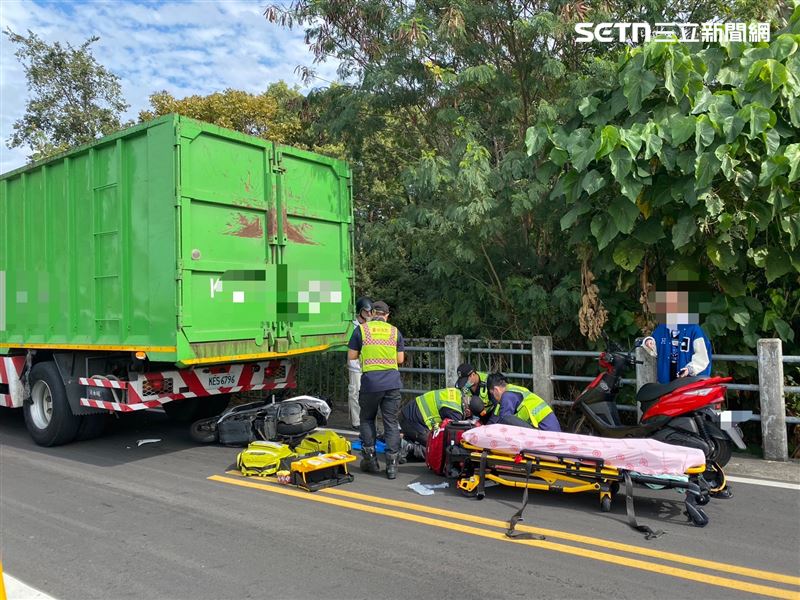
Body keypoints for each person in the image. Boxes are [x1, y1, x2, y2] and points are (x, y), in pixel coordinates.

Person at [347, 300, 404, 479]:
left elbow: (351, 356)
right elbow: (400, 359)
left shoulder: (362, 330)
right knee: (391, 422)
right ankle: (392, 465)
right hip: (392, 383)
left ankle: (370, 460)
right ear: (387, 315)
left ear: (372, 313)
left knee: (367, 419)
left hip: (371, 383)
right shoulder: (395, 332)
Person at [642, 288, 712, 384]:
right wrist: (648, 341)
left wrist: (689, 369)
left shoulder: (694, 329)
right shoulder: (663, 327)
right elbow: (654, 347)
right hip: (666, 383)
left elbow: (702, 357)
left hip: (689, 384)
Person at [399, 388, 464, 460]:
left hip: (409, 415)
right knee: (440, 451)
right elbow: (453, 436)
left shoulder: (456, 393)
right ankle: (409, 447)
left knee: (436, 443)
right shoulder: (455, 411)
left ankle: (403, 443)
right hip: (412, 421)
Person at [484, 373, 561, 431]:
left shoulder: (507, 395)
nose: (494, 398)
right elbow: (495, 417)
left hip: (545, 430)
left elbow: (503, 418)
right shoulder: (515, 390)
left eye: (492, 394)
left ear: (496, 390)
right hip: (548, 427)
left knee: (505, 419)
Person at [347, 297, 373, 429]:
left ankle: (367, 420)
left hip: (369, 365)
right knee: (355, 393)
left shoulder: (370, 326)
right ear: (360, 311)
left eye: (370, 311)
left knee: (369, 394)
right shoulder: (352, 326)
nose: (368, 314)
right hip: (355, 365)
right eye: (366, 311)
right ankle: (357, 422)